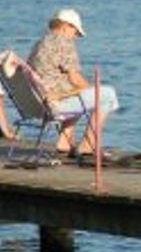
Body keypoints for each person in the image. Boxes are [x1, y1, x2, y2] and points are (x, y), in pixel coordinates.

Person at [28, 8, 119, 156]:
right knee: (108, 94)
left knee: (78, 92)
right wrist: (91, 88)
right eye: (76, 32)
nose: (75, 37)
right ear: (66, 26)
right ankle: (87, 145)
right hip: (55, 103)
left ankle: (64, 142)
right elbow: (75, 78)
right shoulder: (64, 42)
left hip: (40, 102)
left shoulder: (40, 43)